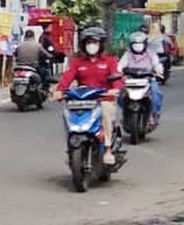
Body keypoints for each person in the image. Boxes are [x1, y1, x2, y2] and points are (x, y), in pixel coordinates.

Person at [53, 26, 125, 165]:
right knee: (67, 114)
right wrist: (59, 91)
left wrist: (115, 89)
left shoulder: (109, 61)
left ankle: (108, 149)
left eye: (95, 42)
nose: (91, 45)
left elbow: (117, 79)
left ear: (101, 44)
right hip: (83, 101)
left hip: (103, 100)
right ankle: (71, 147)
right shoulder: (78, 62)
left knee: (105, 112)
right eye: (88, 42)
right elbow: (67, 77)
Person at [119, 31, 165, 127]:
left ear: (144, 44)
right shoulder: (128, 54)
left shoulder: (150, 53)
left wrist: (159, 71)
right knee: (121, 95)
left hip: (147, 79)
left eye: (139, 44)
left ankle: (153, 114)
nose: (137, 47)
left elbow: (156, 64)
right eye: (135, 45)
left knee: (156, 94)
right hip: (131, 80)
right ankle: (125, 113)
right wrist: (118, 73)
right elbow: (120, 65)